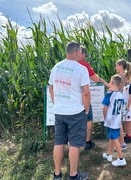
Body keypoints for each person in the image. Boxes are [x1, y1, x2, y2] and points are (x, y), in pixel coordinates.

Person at [48, 41, 90, 180]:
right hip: (75, 112)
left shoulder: (56, 67)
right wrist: (87, 108)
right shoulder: (81, 69)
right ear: (77, 51)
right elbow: (85, 93)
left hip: (59, 111)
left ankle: (57, 174)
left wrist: (56, 102)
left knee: (59, 142)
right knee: (74, 144)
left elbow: (51, 87)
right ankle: (73, 175)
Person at [78, 46, 106, 150]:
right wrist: (104, 82)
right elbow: (95, 77)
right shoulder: (84, 64)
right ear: (83, 54)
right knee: (88, 119)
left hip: (72, 99)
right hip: (83, 97)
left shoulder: (69, 64)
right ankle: (87, 142)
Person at [102, 74, 127, 166]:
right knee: (112, 137)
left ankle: (121, 158)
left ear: (112, 83)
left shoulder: (110, 94)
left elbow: (104, 108)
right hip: (117, 119)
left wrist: (105, 118)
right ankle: (109, 154)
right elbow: (123, 109)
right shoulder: (121, 95)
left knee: (114, 138)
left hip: (111, 120)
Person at [122, 62, 131, 144]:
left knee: (129, 121)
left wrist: (128, 106)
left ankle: (129, 136)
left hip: (128, 108)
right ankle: (127, 135)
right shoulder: (125, 86)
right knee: (126, 121)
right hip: (125, 107)